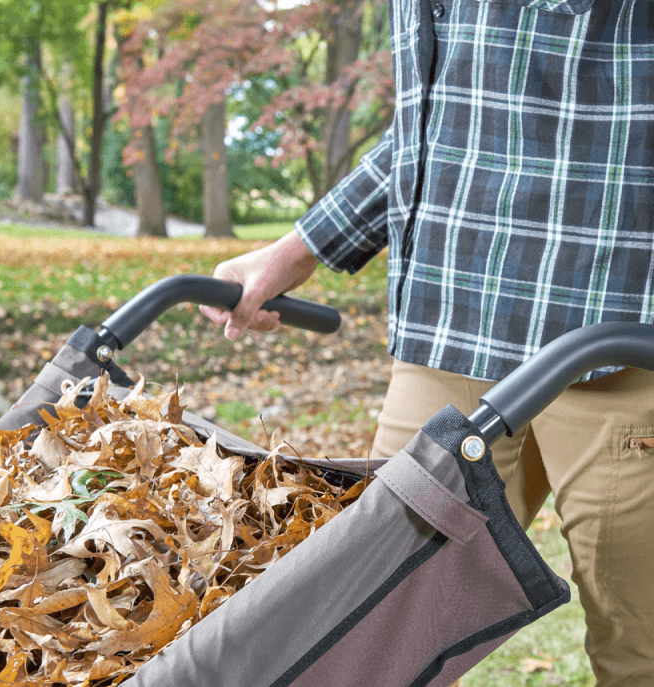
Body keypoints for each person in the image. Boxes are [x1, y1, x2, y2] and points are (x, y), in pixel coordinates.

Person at [200, 1, 654, 685]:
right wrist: (296, 250)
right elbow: (443, 123)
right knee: (357, 636)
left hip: (612, 324)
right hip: (451, 323)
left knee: (639, 649)